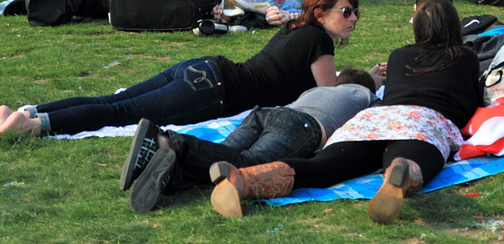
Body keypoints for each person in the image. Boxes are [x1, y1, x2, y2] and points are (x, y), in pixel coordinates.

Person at [208, 0, 482, 225]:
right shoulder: (466, 57)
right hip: (424, 122)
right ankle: (399, 172)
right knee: (410, 158)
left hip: (376, 119)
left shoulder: (399, 55)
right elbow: (470, 105)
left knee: (323, 167)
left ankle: (244, 180)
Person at [0, 0, 362, 144]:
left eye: (354, 12)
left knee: (115, 102)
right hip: (216, 90)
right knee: (121, 112)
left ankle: (26, 112)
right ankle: (32, 126)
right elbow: (327, 97)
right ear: (321, 12)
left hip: (204, 69)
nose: (353, 19)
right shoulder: (316, 40)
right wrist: (363, 83)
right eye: (346, 12)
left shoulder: (295, 29)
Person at [122, 67, 379, 213]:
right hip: (301, 126)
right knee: (247, 164)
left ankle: (168, 172)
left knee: (218, 159)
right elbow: (384, 118)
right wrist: (375, 84)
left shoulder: (320, 90)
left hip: (267, 113)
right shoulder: (366, 96)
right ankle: (169, 142)